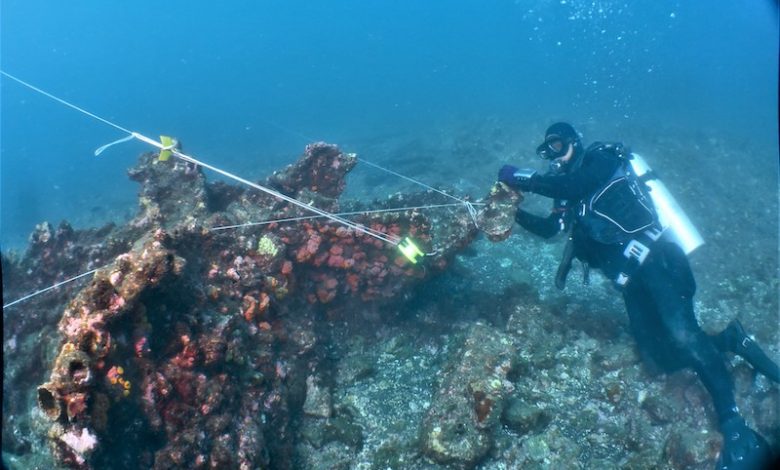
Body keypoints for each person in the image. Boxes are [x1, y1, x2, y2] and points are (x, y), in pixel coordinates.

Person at [498, 122, 778, 470]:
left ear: (574, 142)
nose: (555, 156)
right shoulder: (564, 192)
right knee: (660, 359)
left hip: (659, 260)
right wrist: (512, 212)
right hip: (630, 281)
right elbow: (550, 230)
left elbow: (574, 185)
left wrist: (518, 177)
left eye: (558, 146)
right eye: (548, 151)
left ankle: (732, 420)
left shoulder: (600, 159)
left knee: (684, 335)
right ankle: (730, 340)